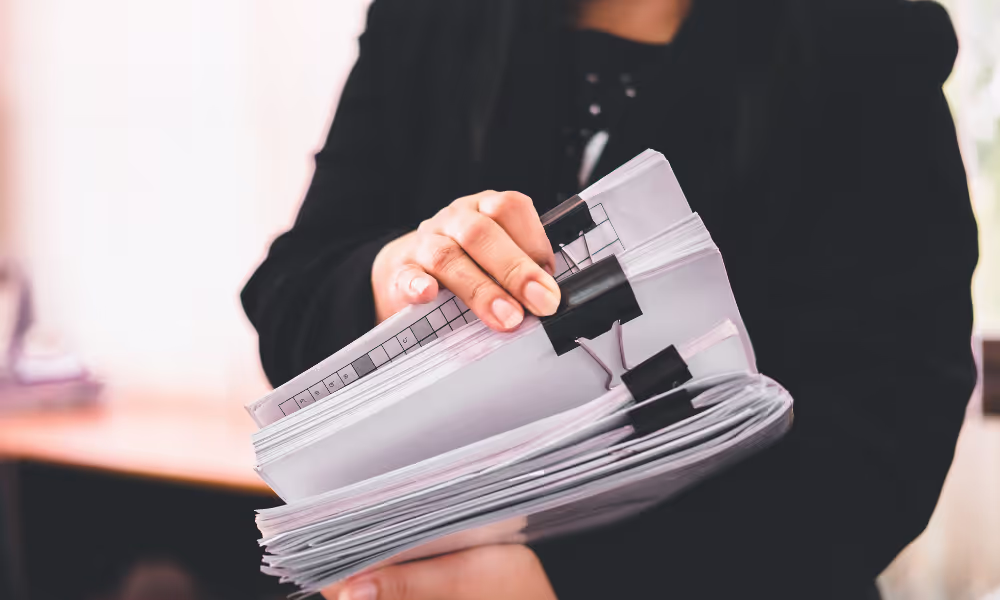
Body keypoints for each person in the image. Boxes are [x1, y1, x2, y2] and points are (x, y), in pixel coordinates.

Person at [241, 0, 979, 598]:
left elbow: (891, 430)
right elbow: (289, 298)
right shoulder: (426, 19)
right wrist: (406, 273)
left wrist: (564, 586)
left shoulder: (867, 37)